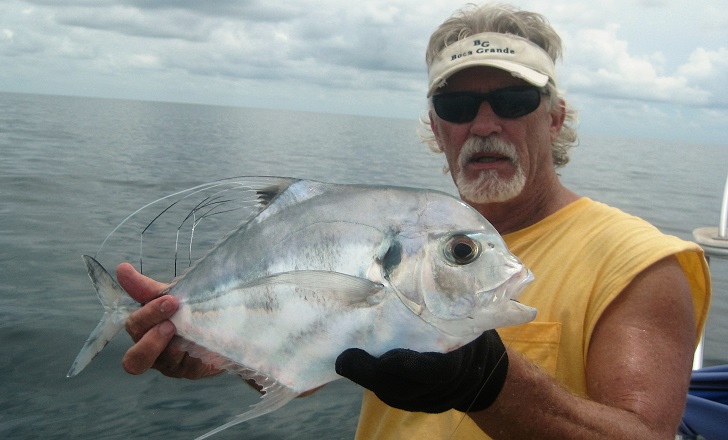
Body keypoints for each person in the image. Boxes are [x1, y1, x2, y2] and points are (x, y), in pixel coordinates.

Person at [118, 4, 711, 439]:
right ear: (434, 127)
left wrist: (491, 383)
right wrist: (217, 345)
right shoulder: (406, 232)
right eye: (456, 106)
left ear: (554, 118)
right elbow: (322, 359)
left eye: (512, 101)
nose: (484, 124)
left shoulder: (637, 260)